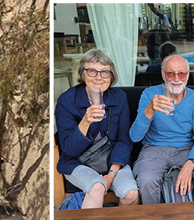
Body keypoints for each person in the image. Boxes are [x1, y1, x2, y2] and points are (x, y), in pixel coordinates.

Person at [55, 49, 140, 209]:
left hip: (112, 161)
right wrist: (85, 122)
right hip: (77, 162)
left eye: (105, 72)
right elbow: (69, 150)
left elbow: (124, 140)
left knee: (131, 194)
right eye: (92, 71)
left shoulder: (118, 97)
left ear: (111, 76)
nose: (99, 77)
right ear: (82, 73)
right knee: (96, 188)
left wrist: (112, 174)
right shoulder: (67, 100)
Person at [130, 54, 194, 204]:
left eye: (181, 73)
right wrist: (150, 110)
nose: (176, 79)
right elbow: (135, 137)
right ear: (163, 75)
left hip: (186, 148)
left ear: (188, 75)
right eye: (171, 73)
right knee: (147, 179)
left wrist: (190, 163)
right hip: (154, 148)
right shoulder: (149, 95)